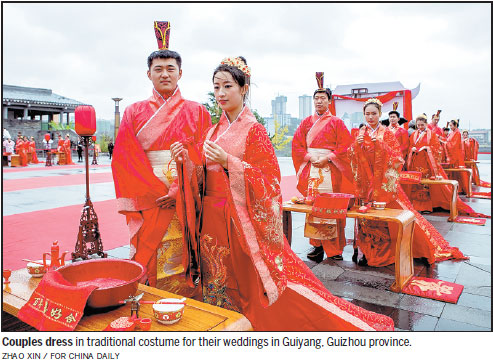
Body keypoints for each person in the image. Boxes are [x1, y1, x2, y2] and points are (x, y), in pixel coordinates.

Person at [171, 57, 394, 331]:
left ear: (244, 88)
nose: (220, 93)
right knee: (217, 274)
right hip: (212, 219)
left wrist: (231, 162)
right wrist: (187, 161)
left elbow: (270, 182)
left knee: (246, 280)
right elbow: (204, 170)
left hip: (238, 220)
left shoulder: (255, 131)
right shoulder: (214, 130)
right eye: (216, 87)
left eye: (227, 86)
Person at [111, 21, 211, 294]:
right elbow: (124, 158)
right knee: (150, 248)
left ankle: (186, 301)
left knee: (184, 245)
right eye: (158, 69)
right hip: (148, 193)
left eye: (170, 69)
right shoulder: (133, 112)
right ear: (148, 74)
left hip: (185, 193)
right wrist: (157, 191)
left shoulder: (198, 112)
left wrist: (179, 189)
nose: (164, 74)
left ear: (180, 73)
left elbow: (205, 156)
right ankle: (149, 297)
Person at [348, 99, 466, 267]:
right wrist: (355, 147)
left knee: (385, 215)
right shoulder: (360, 132)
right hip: (366, 180)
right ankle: (368, 250)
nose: (370, 117)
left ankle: (388, 251)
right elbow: (351, 155)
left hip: (383, 181)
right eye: (367, 114)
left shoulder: (387, 133)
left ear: (380, 114)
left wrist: (381, 146)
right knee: (366, 217)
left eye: (374, 113)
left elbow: (397, 157)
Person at [291, 72, 354, 263]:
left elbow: (346, 146)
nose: (319, 102)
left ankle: (335, 248)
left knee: (331, 206)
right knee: (314, 206)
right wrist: (309, 157)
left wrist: (329, 158)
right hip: (312, 168)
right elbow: (297, 144)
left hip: (330, 169)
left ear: (329, 101)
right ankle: (317, 245)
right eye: (316, 98)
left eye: (322, 98)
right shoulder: (306, 123)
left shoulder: (337, 122)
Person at [405, 115, 486, 217]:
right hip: (416, 162)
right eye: (418, 125)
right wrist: (411, 149)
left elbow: (438, 148)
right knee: (418, 185)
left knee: (429, 185)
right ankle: (419, 206)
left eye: (422, 125)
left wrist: (427, 148)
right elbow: (410, 146)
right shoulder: (414, 135)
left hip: (428, 163)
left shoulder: (432, 135)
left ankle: (431, 206)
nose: (420, 127)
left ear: (426, 124)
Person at [445, 119, 469, 195]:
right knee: (454, 173)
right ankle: (457, 188)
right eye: (450, 126)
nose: (450, 127)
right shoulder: (453, 133)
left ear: (455, 125)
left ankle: (461, 188)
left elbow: (454, 145)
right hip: (453, 155)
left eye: (451, 125)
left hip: (456, 156)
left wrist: (445, 143)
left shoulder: (457, 133)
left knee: (458, 173)